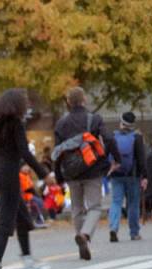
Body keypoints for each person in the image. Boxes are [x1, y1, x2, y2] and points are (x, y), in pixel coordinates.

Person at [0, 88, 53, 269]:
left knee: (22, 219)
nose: (27, 104)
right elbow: (25, 153)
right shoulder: (15, 124)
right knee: (5, 224)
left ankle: (28, 263)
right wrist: (45, 174)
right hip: (10, 175)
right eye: (25, 101)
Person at [53, 86, 110, 260]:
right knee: (94, 207)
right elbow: (108, 139)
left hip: (71, 172)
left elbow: (57, 152)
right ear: (84, 99)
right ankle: (85, 235)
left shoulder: (61, 123)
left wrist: (58, 175)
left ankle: (81, 242)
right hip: (92, 168)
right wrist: (111, 159)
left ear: (68, 102)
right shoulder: (94, 119)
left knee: (77, 208)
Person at [107, 112, 147, 242]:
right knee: (133, 203)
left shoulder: (113, 136)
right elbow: (141, 159)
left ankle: (113, 227)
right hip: (132, 175)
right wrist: (144, 176)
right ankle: (134, 233)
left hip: (116, 174)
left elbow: (107, 154)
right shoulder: (137, 137)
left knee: (116, 202)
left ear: (121, 122)